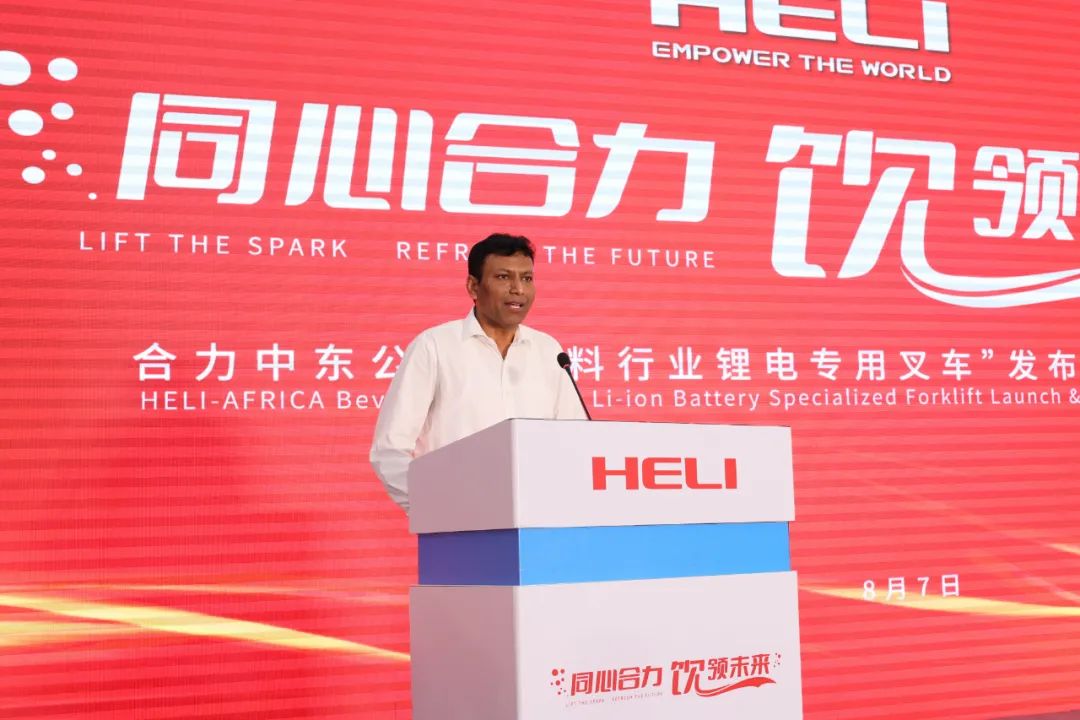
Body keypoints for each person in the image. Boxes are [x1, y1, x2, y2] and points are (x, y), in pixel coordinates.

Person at [369, 233, 587, 512]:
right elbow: (390, 449)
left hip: (538, 518)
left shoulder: (549, 351)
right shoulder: (435, 346)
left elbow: (575, 440)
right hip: (457, 520)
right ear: (473, 286)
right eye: (503, 277)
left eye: (527, 278)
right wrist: (433, 506)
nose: (518, 289)